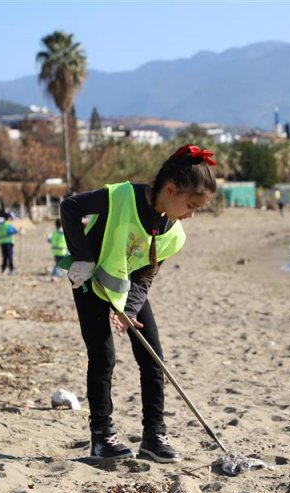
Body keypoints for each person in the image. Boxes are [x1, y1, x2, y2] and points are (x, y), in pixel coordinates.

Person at [59, 144, 217, 461]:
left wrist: (129, 310)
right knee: (103, 357)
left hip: (126, 285)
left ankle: (153, 436)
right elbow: (70, 207)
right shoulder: (120, 197)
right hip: (89, 280)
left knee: (153, 357)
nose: (192, 214)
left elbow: (146, 273)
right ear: (170, 190)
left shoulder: (175, 233)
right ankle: (102, 437)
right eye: (191, 204)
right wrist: (83, 258)